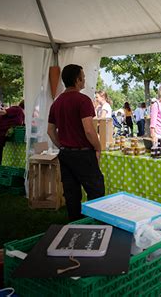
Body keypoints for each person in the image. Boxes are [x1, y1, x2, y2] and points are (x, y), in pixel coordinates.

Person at [47, 64, 105, 221]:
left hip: (66, 154)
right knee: (96, 191)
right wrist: (98, 147)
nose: (85, 79)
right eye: (83, 76)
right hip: (83, 153)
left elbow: (50, 130)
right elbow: (88, 130)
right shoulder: (83, 100)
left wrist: (62, 146)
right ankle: (97, 225)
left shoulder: (57, 102)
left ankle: (74, 226)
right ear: (77, 80)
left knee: (71, 194)